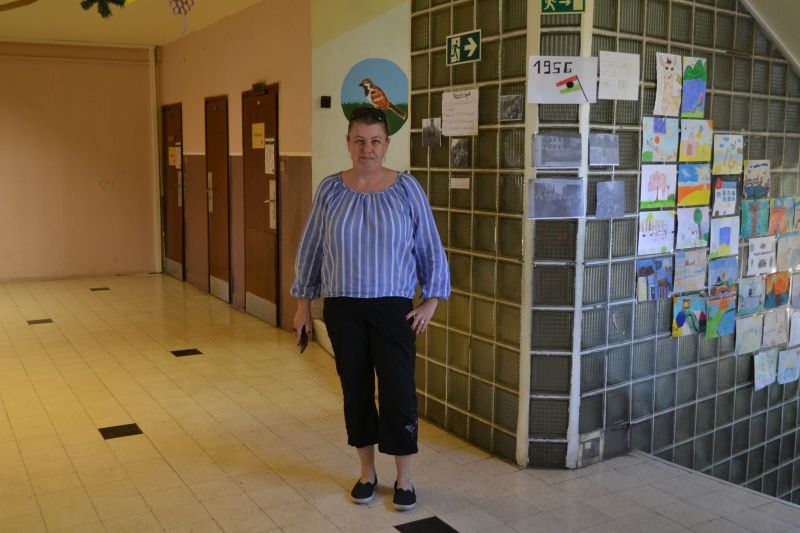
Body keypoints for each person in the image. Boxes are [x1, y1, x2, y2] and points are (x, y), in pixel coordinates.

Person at [291, 107, 450, 511]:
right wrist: (303, 306)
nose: (367, 149)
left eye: (375, 141)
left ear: (386, 144)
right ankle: (367, 473)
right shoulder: (330, 190)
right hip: (343, 308)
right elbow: (311, 248)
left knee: (398, 393)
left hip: (394, 309)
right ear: (348, 143)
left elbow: (428, 244)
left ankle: (405, 479)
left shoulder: (407, 188)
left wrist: (432, 299)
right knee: (356, 391)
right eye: (359, 140)